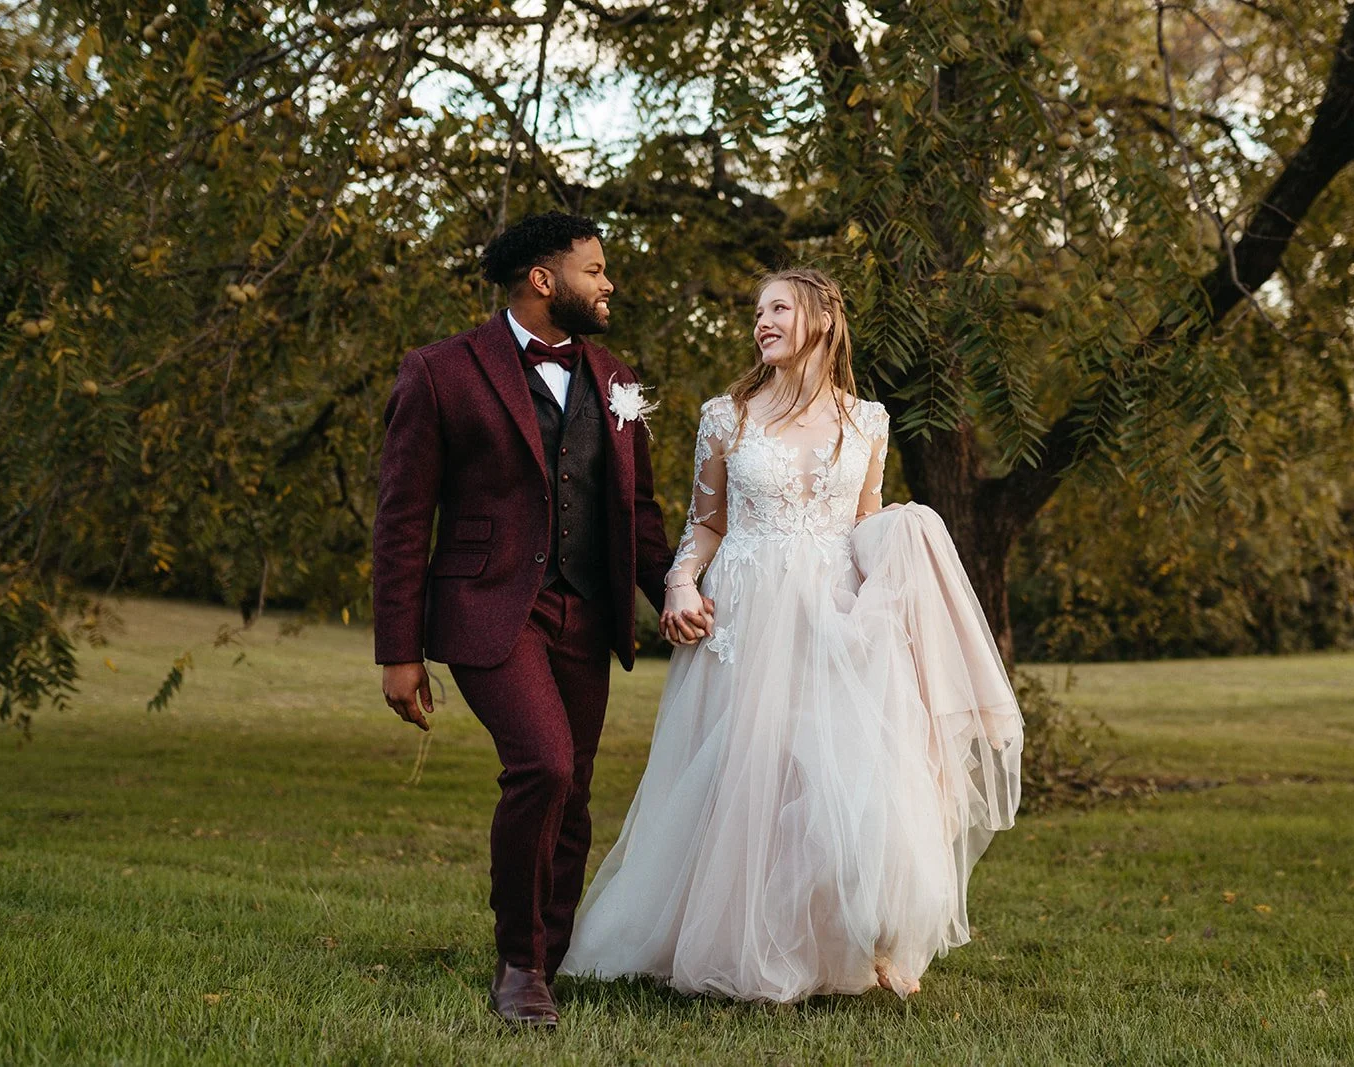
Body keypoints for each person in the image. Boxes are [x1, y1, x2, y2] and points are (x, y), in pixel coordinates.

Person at [560, 268, 1024, 1002]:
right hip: (744, 611)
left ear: (821, 320)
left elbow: (864, 519)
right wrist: (680, 583)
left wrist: (903, 549)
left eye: (779, 308)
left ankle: (832, 941)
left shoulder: (869, 420)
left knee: (835, 775)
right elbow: (705, 523)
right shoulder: (726, 416)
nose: (762, 321)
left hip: (836, 616)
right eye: (757, 311)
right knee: (747, 776)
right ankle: (730, 940)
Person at [372, 212, 712, 1028]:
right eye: (595, 270)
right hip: (487, 607)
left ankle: (549, 956)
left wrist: (676, 588)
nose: (609, 284)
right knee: (545, 765)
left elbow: (638, 508)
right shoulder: (440, 372)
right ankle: (518, 963)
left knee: (577, 790)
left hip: (585, 611)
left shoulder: (617, 377)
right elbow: (402, 519)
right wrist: (399, 651)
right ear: (543, 279)